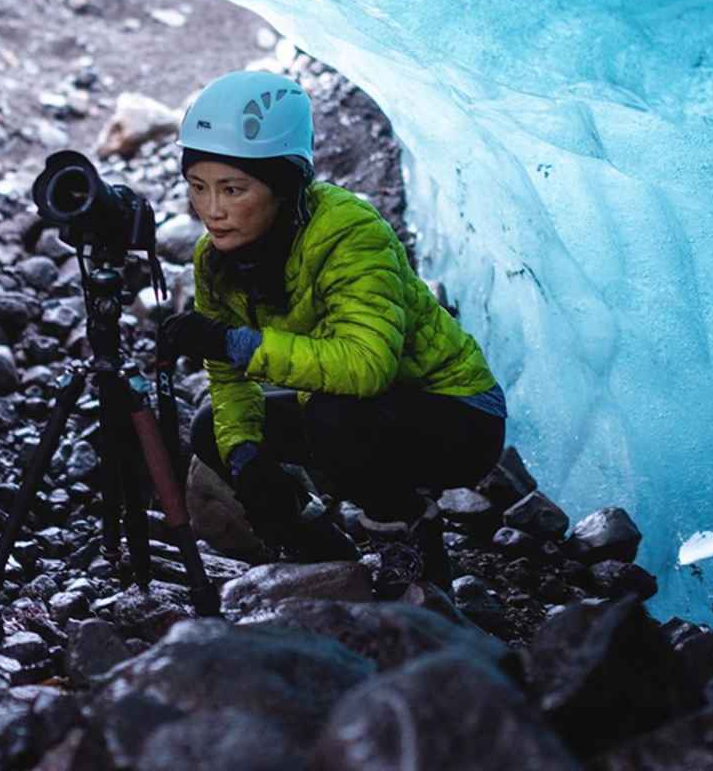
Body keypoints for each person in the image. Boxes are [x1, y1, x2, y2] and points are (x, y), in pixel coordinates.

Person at [159, 70, 507, 593]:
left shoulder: (350, 231)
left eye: (233, 189)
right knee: (215, 427)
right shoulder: (215, 259)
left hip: (458, 413)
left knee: (333, 413)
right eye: (198, 188)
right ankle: (323, 554)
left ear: (284, 186)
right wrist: (246, 457)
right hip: (355, 405)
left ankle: (409, 534)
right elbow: (230, 380)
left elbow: (367, 365)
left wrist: (233, 344)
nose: (212, 210)